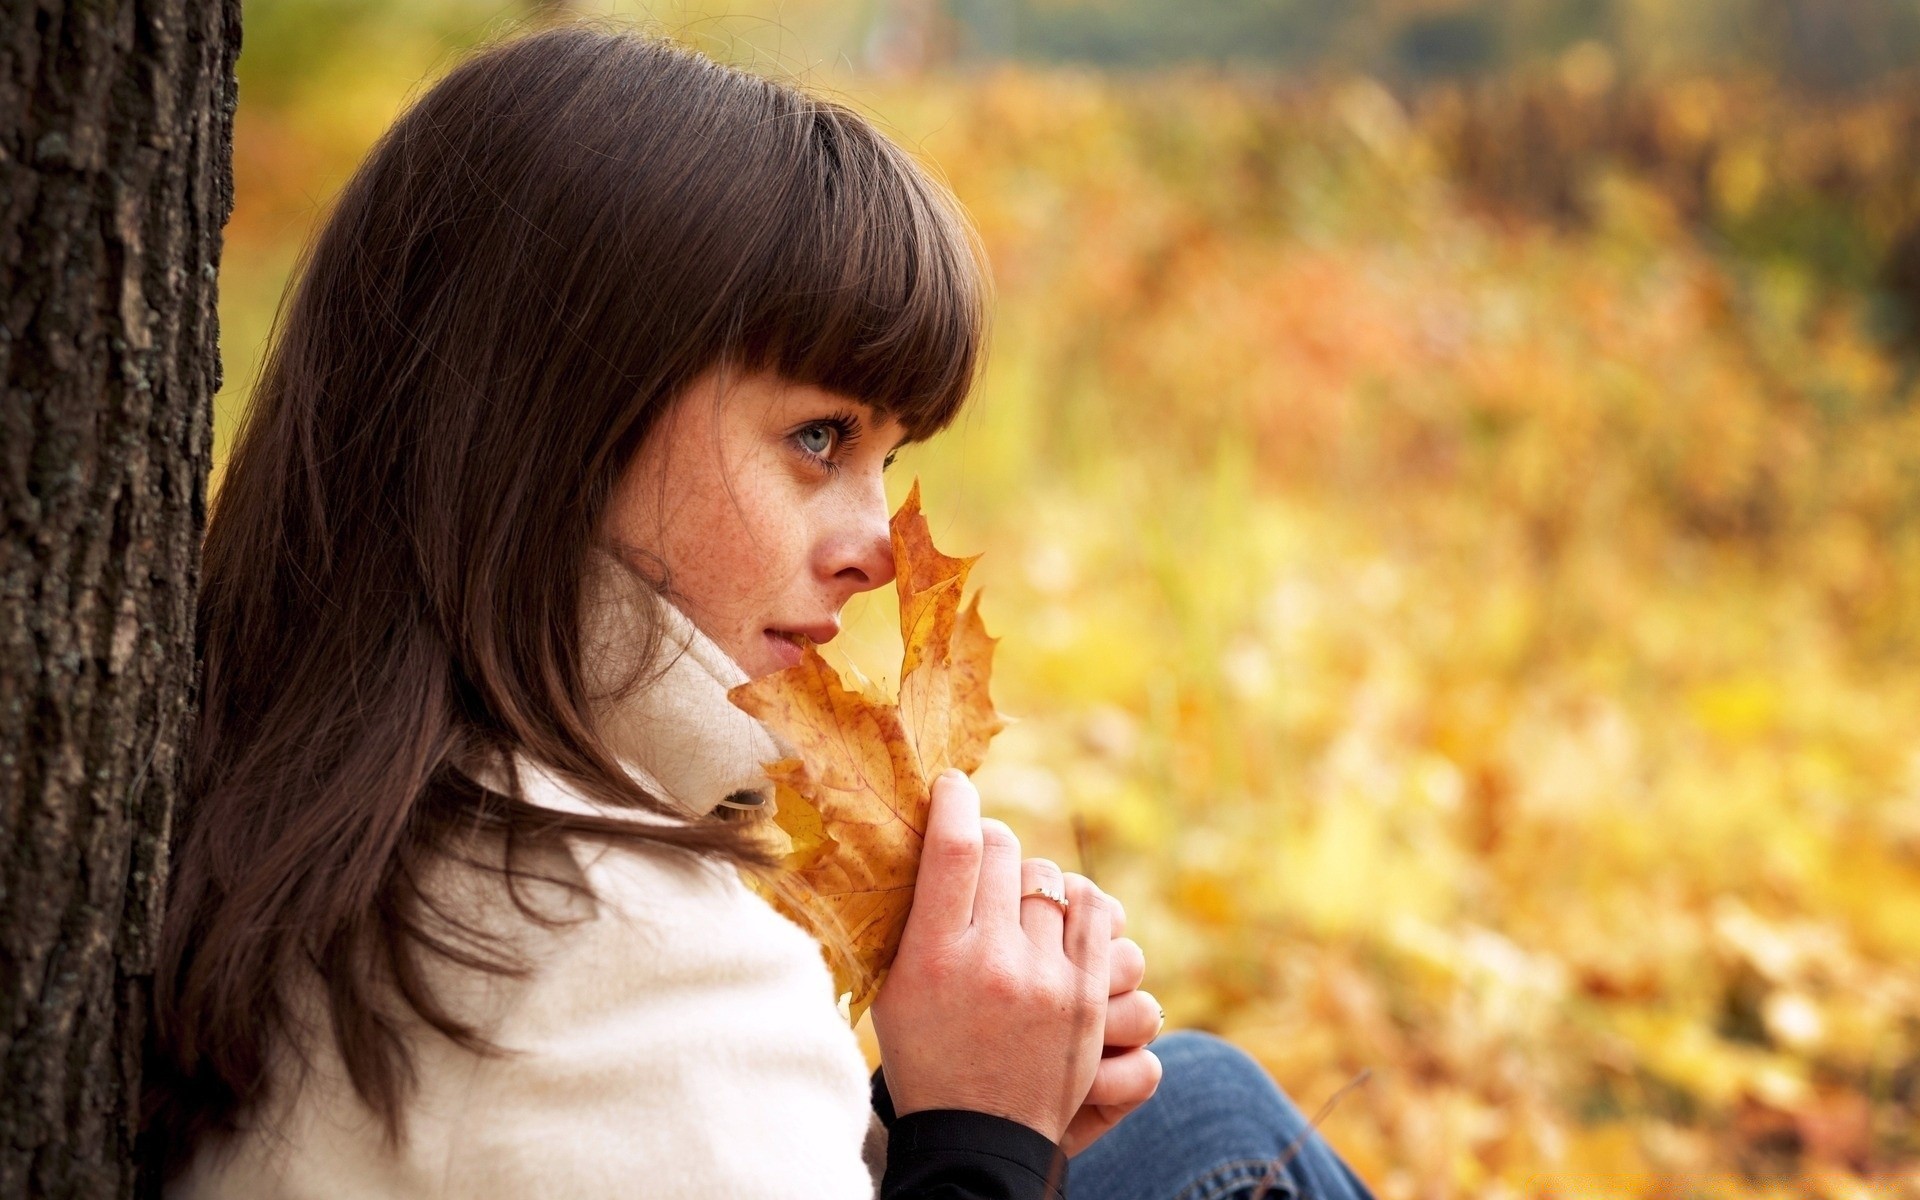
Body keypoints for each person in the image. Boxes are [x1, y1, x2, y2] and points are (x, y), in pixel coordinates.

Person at [145, 24, 1380, 1200]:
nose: (876, 553)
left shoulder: (309, 775)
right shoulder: (624, 967)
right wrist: (984, 1144)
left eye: (886, 461)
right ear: (559, 417)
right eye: (818, 437)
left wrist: (932, 1122)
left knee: (1198, 1109)